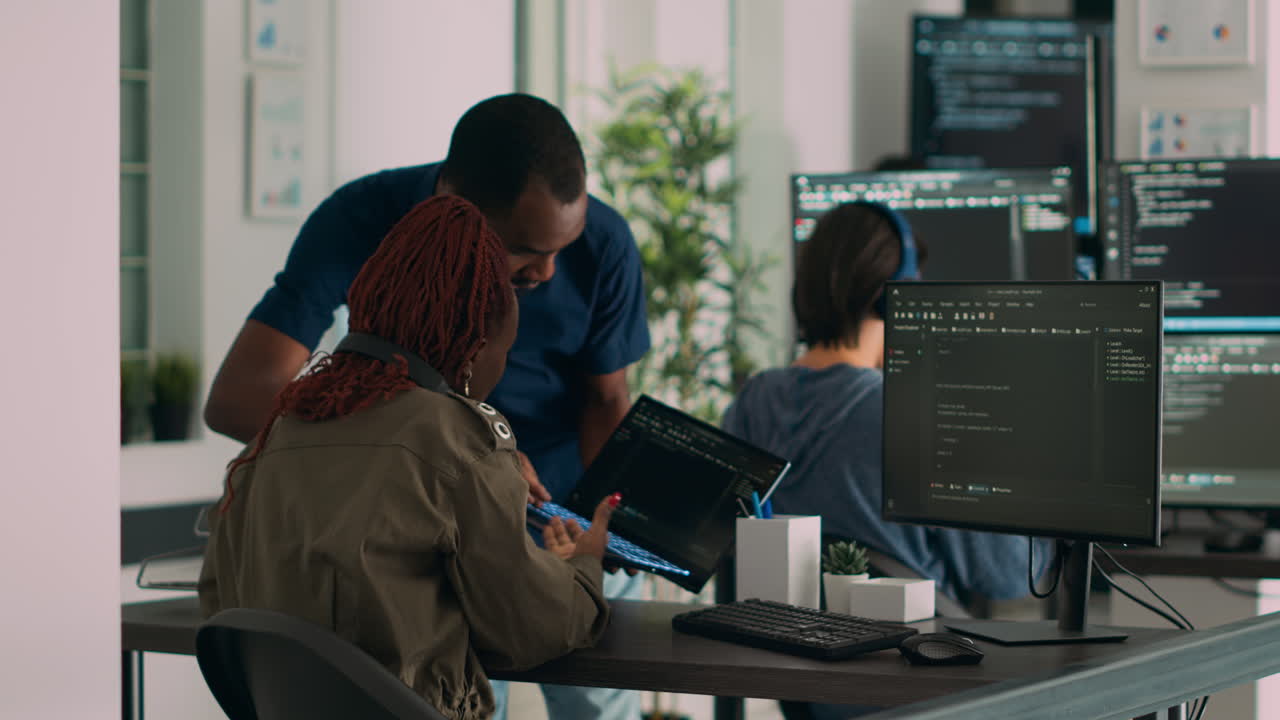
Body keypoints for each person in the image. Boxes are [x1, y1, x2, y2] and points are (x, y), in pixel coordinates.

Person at [202, 94, 649, 719]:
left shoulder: (262, 464)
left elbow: (220, 602)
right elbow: (538, 627)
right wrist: (438, 459)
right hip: (504, 546)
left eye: (563, 250)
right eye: (522, 252)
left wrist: (612, 537)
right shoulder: (362, 220)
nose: (548, 273)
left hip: (550, 519)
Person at [722, 202, 1052, 720]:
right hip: (919, 688)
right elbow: (1007, 574)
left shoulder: (752, 401)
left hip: (804, 691)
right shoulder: (916, 407)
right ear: (894, 297)